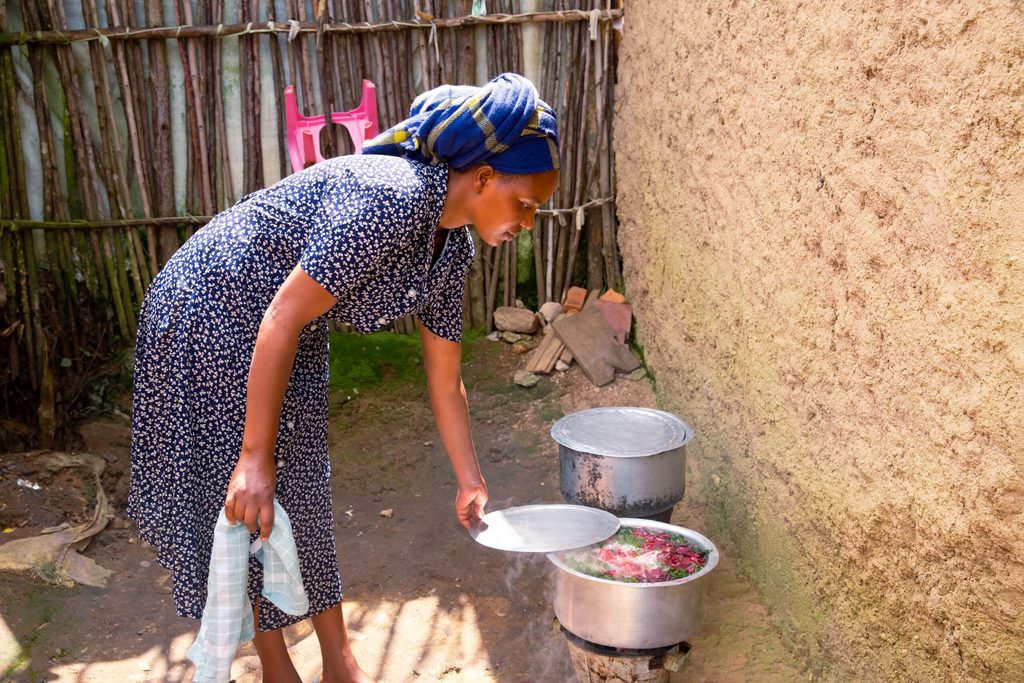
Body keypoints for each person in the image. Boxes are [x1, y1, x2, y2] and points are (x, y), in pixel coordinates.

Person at [126, 72, 559, 683]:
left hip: (281, 326)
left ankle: (340, 664)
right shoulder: (395, 199)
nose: (527, 222)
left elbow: (445, 378)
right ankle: (280, 668)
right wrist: (253, 456)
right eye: (525, 205)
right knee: (249, 493)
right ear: (483, 179)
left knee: (302, 483)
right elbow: (279, 314)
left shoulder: (451, 245)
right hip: (212, 308)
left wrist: (470, 479)